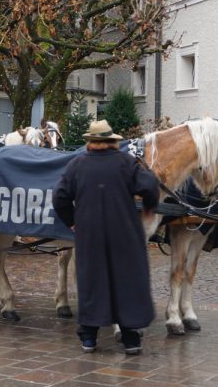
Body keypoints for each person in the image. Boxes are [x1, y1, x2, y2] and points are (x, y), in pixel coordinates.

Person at [53, 119, 159, 355]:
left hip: (90, 234)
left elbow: (59, 197)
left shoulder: (76, 165)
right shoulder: (126, 162)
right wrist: (150, 207)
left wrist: (72, 221)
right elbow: (150, 184)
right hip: (124, 233)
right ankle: (131, 338)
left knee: (93, 281)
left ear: (90, 143)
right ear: (112, 142)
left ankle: (89, 338)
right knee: (127, 281)